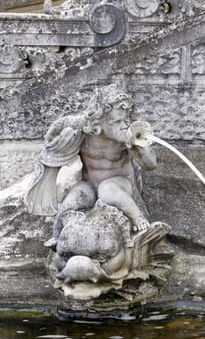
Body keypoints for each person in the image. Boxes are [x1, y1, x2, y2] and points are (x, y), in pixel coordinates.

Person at [25, 84, 157, 248]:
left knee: (107, 189)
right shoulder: (84, 133)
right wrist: (54, 142)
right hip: (90, 184)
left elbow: (150, 165)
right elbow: (55, 131)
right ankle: (57, 235)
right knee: (73, 198)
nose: (123, 125)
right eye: (116, 122)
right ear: (99, 122)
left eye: (125, 119)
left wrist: (140, 148)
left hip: (120, 184)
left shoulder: (127, 140)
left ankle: (137, 217)